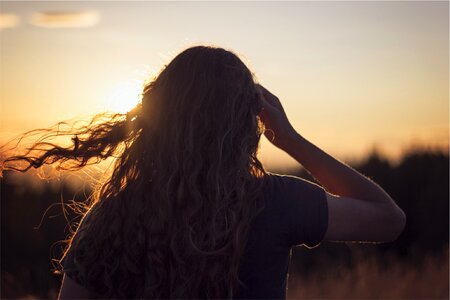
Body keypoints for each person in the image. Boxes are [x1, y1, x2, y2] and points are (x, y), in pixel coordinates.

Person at [1, 45, 406, 299]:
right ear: (247, 124)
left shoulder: (110, 217)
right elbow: (388, 219)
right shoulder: (275, 203)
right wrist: (291, 140)